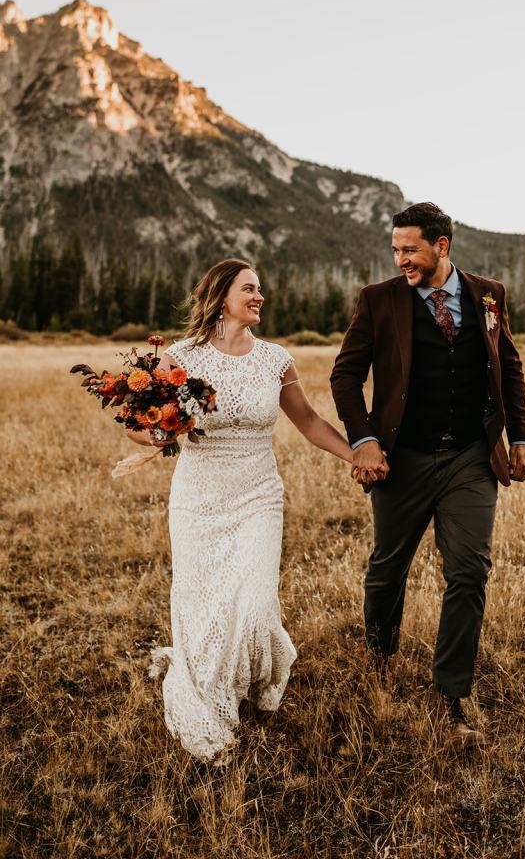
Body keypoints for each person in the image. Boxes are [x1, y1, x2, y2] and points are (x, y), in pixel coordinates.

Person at [127, 258, 354, 763]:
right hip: (198, 499)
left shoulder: (276, 360)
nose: (260, 296)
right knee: (203, 600)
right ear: (221, 295)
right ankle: (206, 688)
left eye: (260, 289)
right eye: (249, 289)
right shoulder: (179, 358)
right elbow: (139, 424)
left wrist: (355, 453)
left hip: (257, 496)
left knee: (253, 603)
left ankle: (240, 675)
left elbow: (310, 422)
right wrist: (157, 430)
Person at [330, 202, 525, 747]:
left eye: (411, 249)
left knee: (468, 573)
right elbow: (345, 376)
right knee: (387, 570)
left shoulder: (489, 295)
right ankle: (379, 657)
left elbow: (508, 365)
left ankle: (452, 693)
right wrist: (364, 439)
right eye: (395, 250)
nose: (401, 260)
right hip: (404, 458)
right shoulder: (379, 301)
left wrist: (522, 436)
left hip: (471, 456)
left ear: (442, 246)